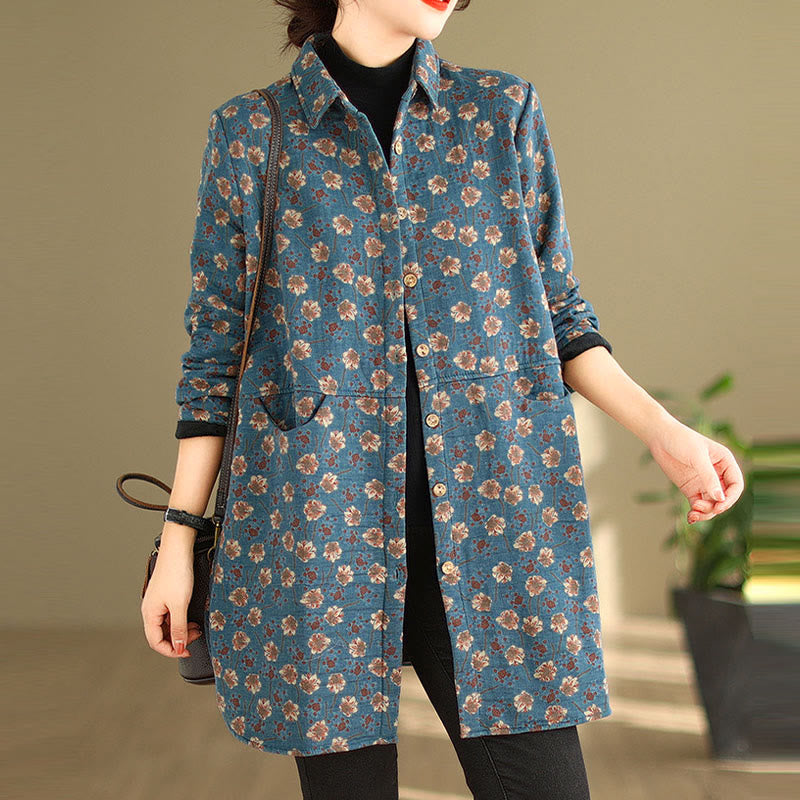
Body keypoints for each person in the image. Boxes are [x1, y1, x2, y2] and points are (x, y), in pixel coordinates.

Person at [141, 1, 745, 798]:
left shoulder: (500, 113)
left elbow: (559, 313)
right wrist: (179, 540)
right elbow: (217, 354)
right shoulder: (255, 132)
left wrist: (665, 433)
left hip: (491, 525)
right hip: (319, 533)